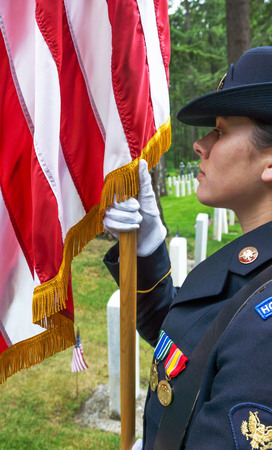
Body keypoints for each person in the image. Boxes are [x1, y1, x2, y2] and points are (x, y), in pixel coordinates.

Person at [103, 46, 272, 449]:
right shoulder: (248, 267)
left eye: (222, 130)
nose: (200, 145)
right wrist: (148, 243)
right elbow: (189, 333)